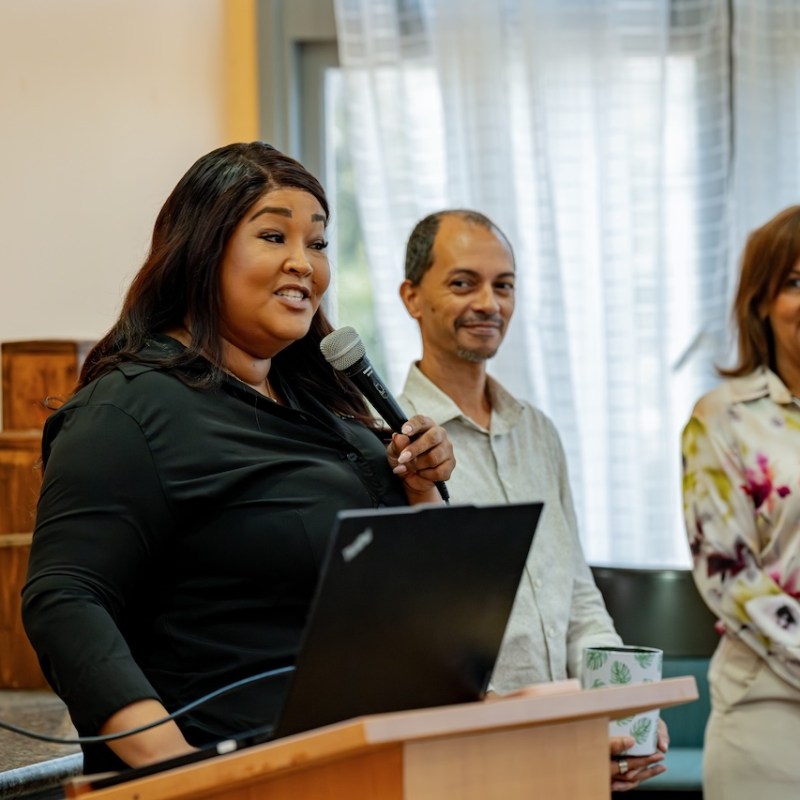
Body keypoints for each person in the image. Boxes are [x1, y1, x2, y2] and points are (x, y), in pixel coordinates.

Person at [21, 142, 454, 775]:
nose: (303, 264)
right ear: (202, 249)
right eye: (274, 236)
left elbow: (407, 595)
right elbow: (65, 600)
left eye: (318, 243)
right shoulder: (126, 413)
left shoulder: (324, 401)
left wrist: (420, 490)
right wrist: (179, 766)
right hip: (241, 772)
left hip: (368, 760)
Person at [398, 209, 669, 792]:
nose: (489, 303)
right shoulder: (388, 439)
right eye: (463, 282)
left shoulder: (539, 433)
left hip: (566, 750)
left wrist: (627, 712)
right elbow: (410, 638)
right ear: (412, 297)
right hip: (462, 757)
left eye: (504, 285)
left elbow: (579, 600)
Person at [681, 205, 800, 800]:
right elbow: (729, 574)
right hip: (769, 712)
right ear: (761, 300)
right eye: (796, 283)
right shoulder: (721, 418)